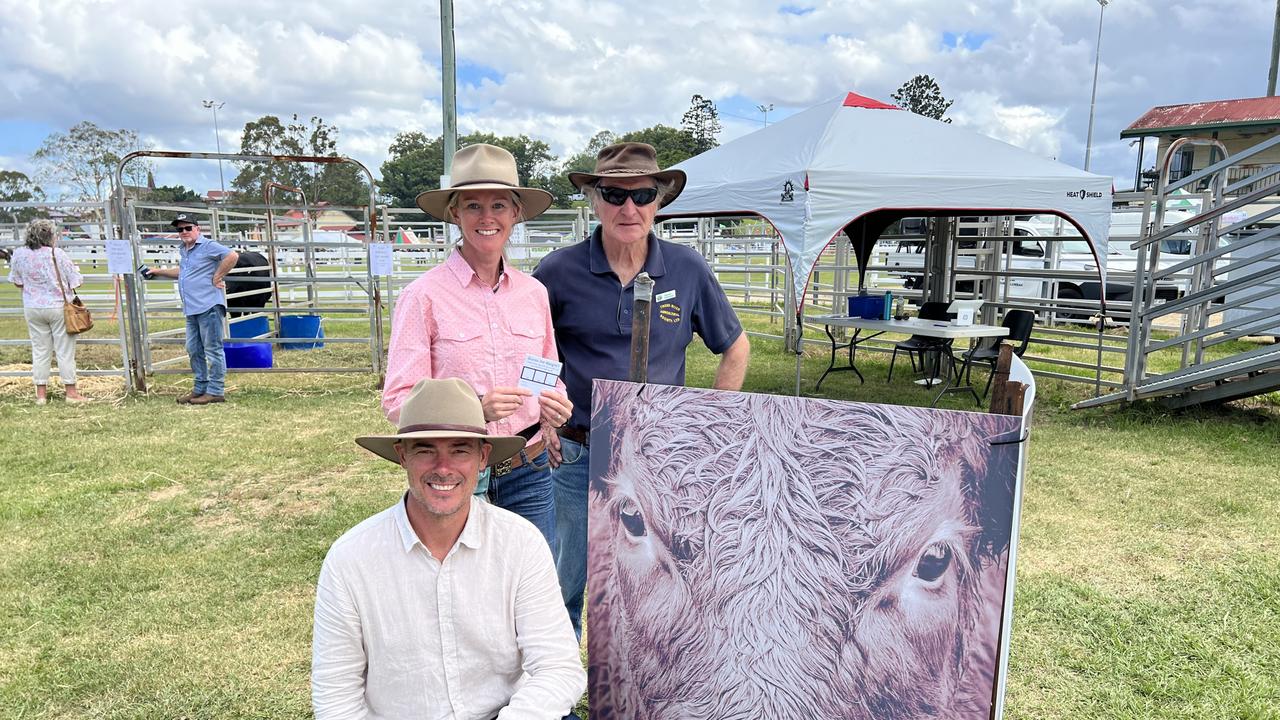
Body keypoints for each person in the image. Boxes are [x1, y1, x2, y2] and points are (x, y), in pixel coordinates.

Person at [532, 142, 751, 637]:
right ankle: (558, 699)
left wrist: (713, 422)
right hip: (578, 451)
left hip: (662, 459)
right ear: (594, 200)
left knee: (659, 582)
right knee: (564, 579)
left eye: (642, 194)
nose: (628, 208)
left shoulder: (687, 269)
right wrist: (541, 415)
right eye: (613, 194)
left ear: (659, 201)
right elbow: (532, 354)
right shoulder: (557, 272)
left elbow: (734, 348)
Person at [312, 377, 585, 719]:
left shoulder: (521, 543)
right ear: (402, 456)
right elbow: (336, 698)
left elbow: (559, 667)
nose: (444, 468)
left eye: (460, 449)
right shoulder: (351, 559)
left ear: (483, 457)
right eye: (426, 449)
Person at [383, 144, 573, 549]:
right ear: (455, 213)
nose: (487, 218)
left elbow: (547, 374)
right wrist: (472, 412)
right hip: (458, 473)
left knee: (533, 589)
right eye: (473, 206)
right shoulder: (423, 297)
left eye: (499, 205)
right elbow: (399, 400)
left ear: (516, 213)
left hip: (530, 466)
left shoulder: (534, 294)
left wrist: (556, 406)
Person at [141, 213, 238, 405]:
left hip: (208, 305)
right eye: (180, 229)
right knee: (193, 348)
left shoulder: (208, 246)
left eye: (188, 228)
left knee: (212, 349)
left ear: (197, 229)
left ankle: (216, 390)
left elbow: (232, 255)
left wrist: (218, 276)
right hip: (192, 308)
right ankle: (200, 388)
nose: (184, 232)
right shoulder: (185, 250)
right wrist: (158, 271)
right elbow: (184, 272)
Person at [8, 218, 89, 404]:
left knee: (40, 350)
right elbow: (76, 281)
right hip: (58, 307)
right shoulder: (57, 254)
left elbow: (17, 282)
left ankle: (41, 395)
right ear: (50, 236)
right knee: (64, 350)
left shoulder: (19, 254)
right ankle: (71, 392)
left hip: (33, 307)